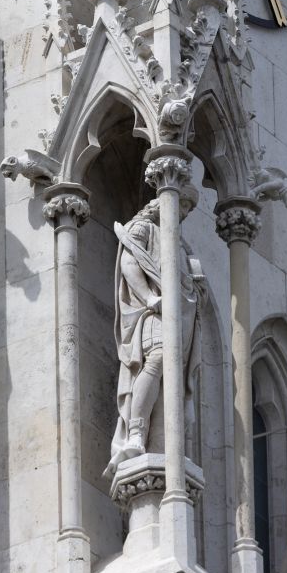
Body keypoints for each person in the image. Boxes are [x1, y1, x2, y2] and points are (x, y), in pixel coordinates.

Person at [106, 193, 201, 478]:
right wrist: (149, 297)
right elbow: (130, 263)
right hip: (155, 314)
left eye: (188, 208)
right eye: (183, 204)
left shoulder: (183, 247)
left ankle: (166, 444)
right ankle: (136, 433)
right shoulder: (143, 228)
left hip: (182, 318)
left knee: (175, 378)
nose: (184, 212)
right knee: (156, 360)